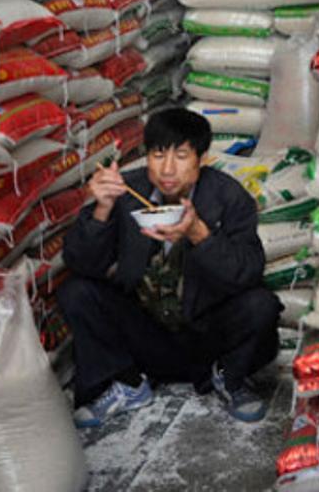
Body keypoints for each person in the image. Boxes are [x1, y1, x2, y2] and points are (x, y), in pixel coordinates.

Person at [59, 108, 280, 428]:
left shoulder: (229, 197)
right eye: (158, 154)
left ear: (202, 159)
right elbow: (82, 263)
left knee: (262, 305)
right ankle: (128, 383)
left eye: (180, 155)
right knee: (76, 292)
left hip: (209, 337)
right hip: (149, 335)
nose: (167, 168)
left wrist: (199, 235)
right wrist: (102, 210)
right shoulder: (126, 194)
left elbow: (247, 272)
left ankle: (230, 378)